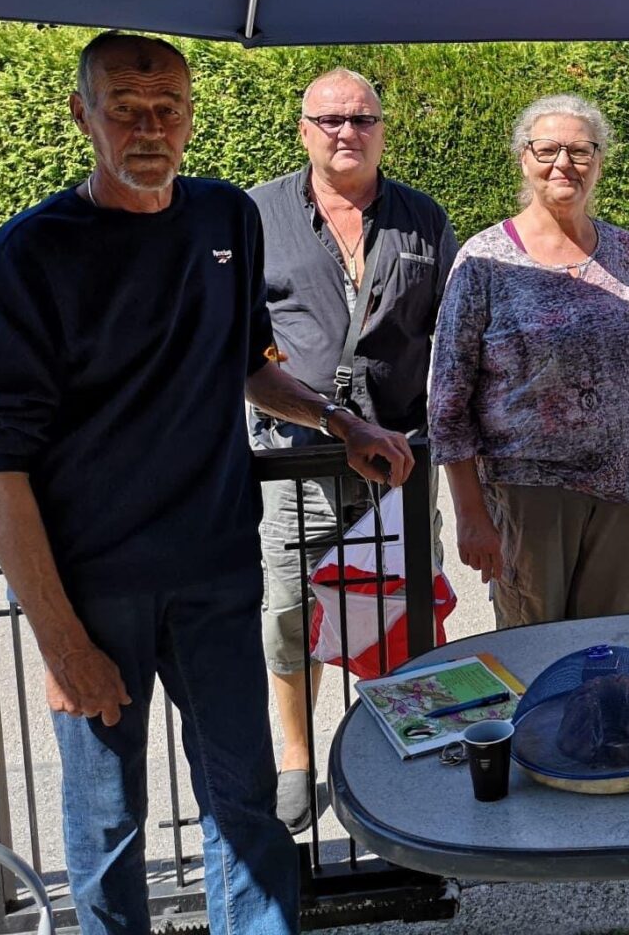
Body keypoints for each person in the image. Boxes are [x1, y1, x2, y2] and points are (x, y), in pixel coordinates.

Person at [0, 32, 415, 934]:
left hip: (214, 569)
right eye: (125, 109)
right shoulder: (24, 257)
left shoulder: (225, 219)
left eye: (167, 108)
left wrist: (340, 422)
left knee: (245, 805)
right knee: (108, 825)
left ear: (192, 117)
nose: (149, 128)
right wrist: (60, 642)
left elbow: (248, 362)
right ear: (82, 115)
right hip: (93, 590)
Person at [249, 67, 457, 833]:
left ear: (382, 130)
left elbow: (451, 338)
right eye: (331, 119)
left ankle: (401, 744)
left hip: (399, 466)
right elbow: (238, 348)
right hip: (296, 459)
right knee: (291, 610)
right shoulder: (255, 215)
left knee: (404, 607)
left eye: (362, 119)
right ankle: (297, 758)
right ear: (303, 129)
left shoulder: (422, 219)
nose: (347, 132)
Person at [429, 94, 629, 628]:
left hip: (627, 490)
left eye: (581, 151)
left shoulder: (627, 251)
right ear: (524, 158)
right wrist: (471, 513)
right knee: (534, 643)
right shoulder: (485, 260)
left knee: (610, 641)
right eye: (547, 150)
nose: (564, 163)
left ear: (599, 161)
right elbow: (448, 399)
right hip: (530, 492)